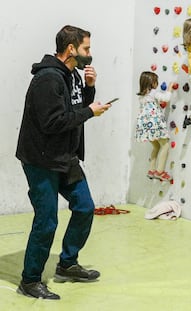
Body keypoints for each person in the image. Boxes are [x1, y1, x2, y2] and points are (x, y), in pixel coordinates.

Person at [15, 25, 109, 300]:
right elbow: (53, 122)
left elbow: (77, 108)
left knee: (84, 207)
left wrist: (90, 90)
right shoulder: (48, 80)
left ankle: (67, 264)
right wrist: (91, 113)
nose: (89, 54)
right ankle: (30, 280)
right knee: (46, 221)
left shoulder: (74, 76)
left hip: (65, 157)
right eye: (86, 49)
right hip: (41, 160)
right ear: (71, 49)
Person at [135, 71, 173, 182]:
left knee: (156, 146)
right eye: (156, 81)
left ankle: (151, 170)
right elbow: (166, 98)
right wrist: (170, 88)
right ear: (152, 83)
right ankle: (160, 171)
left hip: (145, 126)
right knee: (165, 145)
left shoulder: (142, 96)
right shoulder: (153, 93)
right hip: (154, 124)